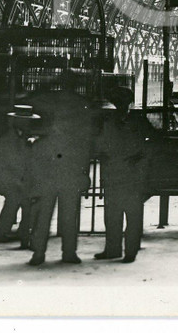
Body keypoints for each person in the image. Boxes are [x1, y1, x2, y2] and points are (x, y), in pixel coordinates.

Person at [24, 79, 97, 266]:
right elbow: (84, 155)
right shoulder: (78, 131)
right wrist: (84, 174)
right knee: (69, 216)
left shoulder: (47, 133)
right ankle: (68, 252)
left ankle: (39, 252)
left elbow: (38, 157)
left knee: (43, 215)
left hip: (51, 176)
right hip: (69, 175)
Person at [94, 89, 152, 263]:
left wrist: (140, 158)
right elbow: (100, 143)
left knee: (131, 212)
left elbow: (151, 142)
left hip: (131, 171)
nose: (120, 105)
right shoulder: (111, 120)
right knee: (113, 213)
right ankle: (113, 249)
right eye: (117, 102)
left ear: (128, 103)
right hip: (115, 170)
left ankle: (130, 251)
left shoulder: (136, 120)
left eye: (122, 102)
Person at [0, 104, 38, 247]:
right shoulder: (9, 139)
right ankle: (2, 232)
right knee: (18, 196)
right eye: (24, 121)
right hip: (4, 177)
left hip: (14, 177)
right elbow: (6, 165)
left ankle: (22, 230)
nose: (27, 124)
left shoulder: (21, 136)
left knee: (29, 194)